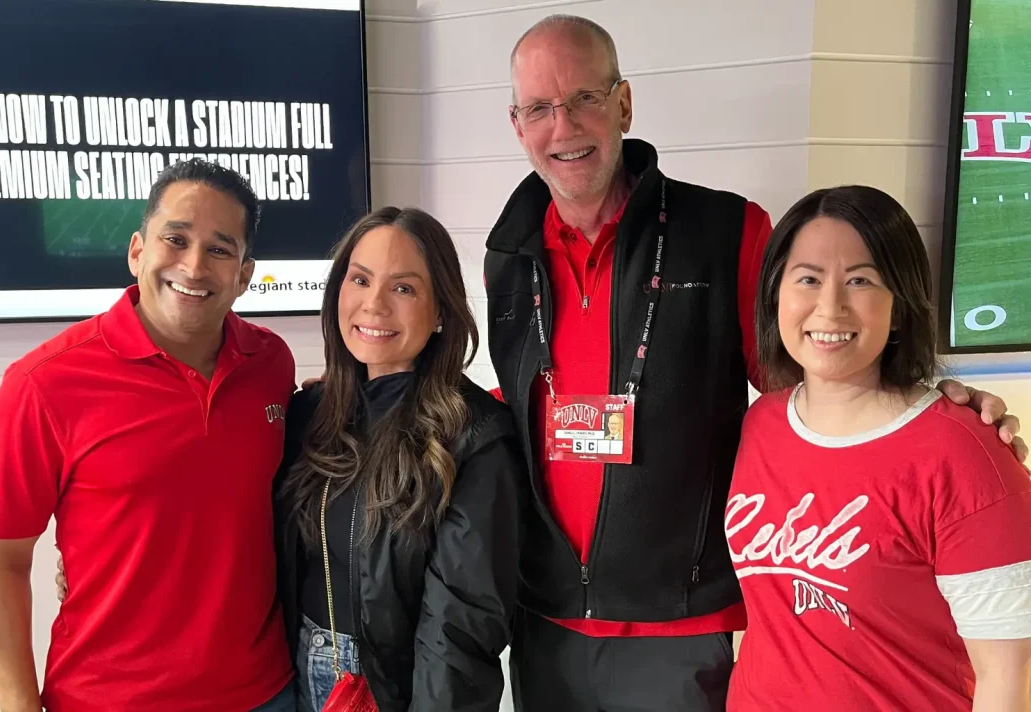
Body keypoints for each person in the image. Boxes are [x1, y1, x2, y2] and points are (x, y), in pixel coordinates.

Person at [483, 14, 1027, 711]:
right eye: (539, 108)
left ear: (623, 103)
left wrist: (929, 405)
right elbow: (528, 388)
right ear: (516, 122)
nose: (563, 126)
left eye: (585, 98)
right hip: (547, 616)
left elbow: (820, 380)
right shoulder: (509, 250)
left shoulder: (726, 231)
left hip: (679, 628)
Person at [0, 158, 298, 712]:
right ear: (138, 251)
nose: (194, 267)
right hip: (107, 700)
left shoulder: (272, 363)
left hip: (263, 694)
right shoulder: (43, 383)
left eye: (220, 249)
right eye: (176, 239)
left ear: (244, 274)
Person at [726, 185, 1031, 710]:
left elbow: (1006, 680)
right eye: (808, 279)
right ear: (776, 293)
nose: (830, 306)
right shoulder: (761, 424)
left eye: (861, 281)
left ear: (899, 303)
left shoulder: (964, 454)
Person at [274, 206, 525, 711]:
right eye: (360, 280)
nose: (374, 305)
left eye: (404, 288)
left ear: (439, 312)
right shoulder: (308, 415)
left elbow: (460, 627)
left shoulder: (473, 437)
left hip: (392, 691)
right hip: (288, 680)